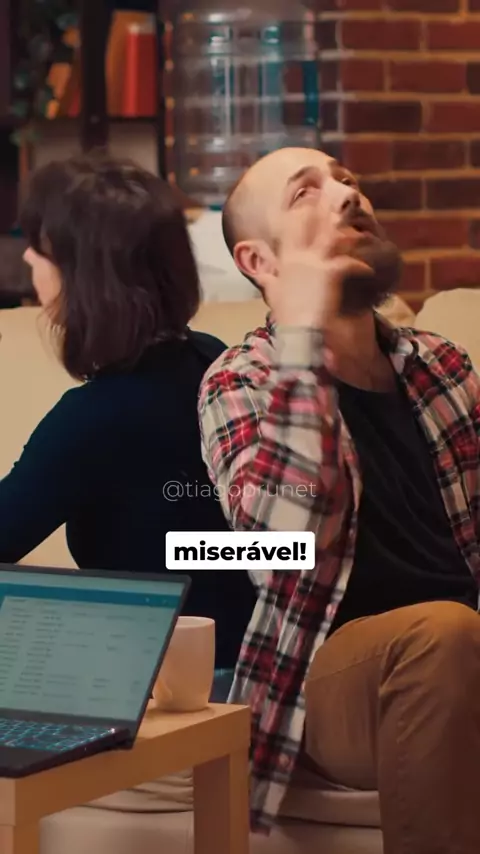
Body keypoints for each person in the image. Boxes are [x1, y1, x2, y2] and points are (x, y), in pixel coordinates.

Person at [198, 146, 480, 853]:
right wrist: (302, 341)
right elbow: (277, 546)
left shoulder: (441, 366)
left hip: (465, 648)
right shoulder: (241, 380)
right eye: (307, 192)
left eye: (347, 180)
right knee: (442, 635)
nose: (347, 194)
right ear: (259, 262)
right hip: (327, 677)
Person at [0, 154, 255, 670]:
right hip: (248, 660)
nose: (27, 258)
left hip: (173, 686)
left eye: (42, 247)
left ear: (85, 275)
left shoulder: (95, 418)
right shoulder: (212, 358)